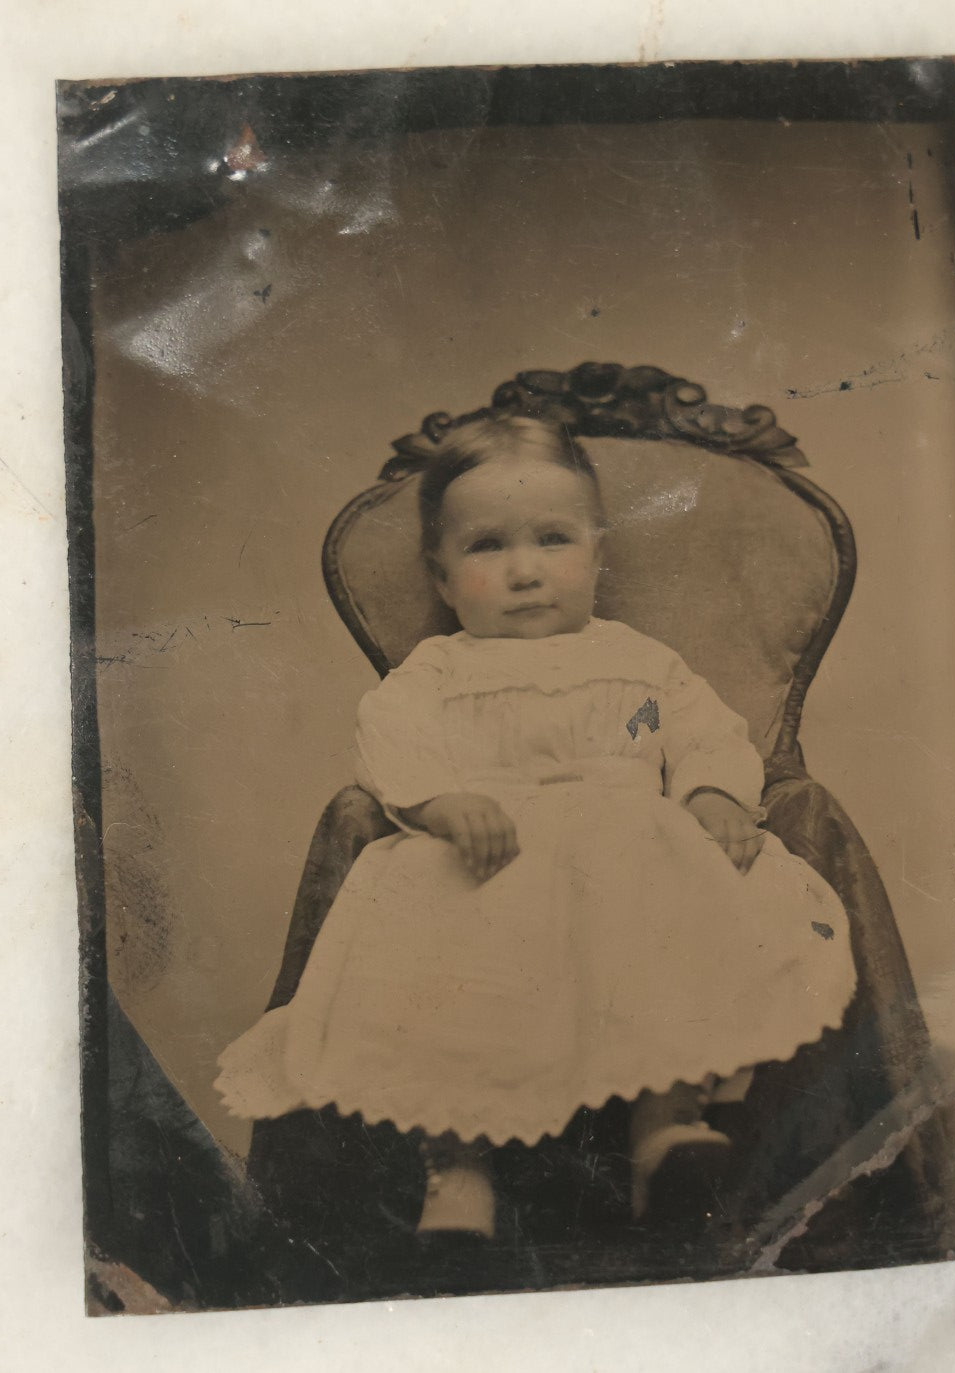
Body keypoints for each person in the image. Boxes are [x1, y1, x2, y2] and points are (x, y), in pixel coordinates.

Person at [215, 414, 856, 1239]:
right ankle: (458, 1172)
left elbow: (705, 731)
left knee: (674, 940)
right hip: (487, 860)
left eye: (552, 540)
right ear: (442, 579)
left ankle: (666, 1123)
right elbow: (391, 738)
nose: (524, 571)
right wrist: (443, 802)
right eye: (487, 547)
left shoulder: (637, 659)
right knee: (442, 983)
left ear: (597, 556)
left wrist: (710, 795)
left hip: (622, 864)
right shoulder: (439, 670)